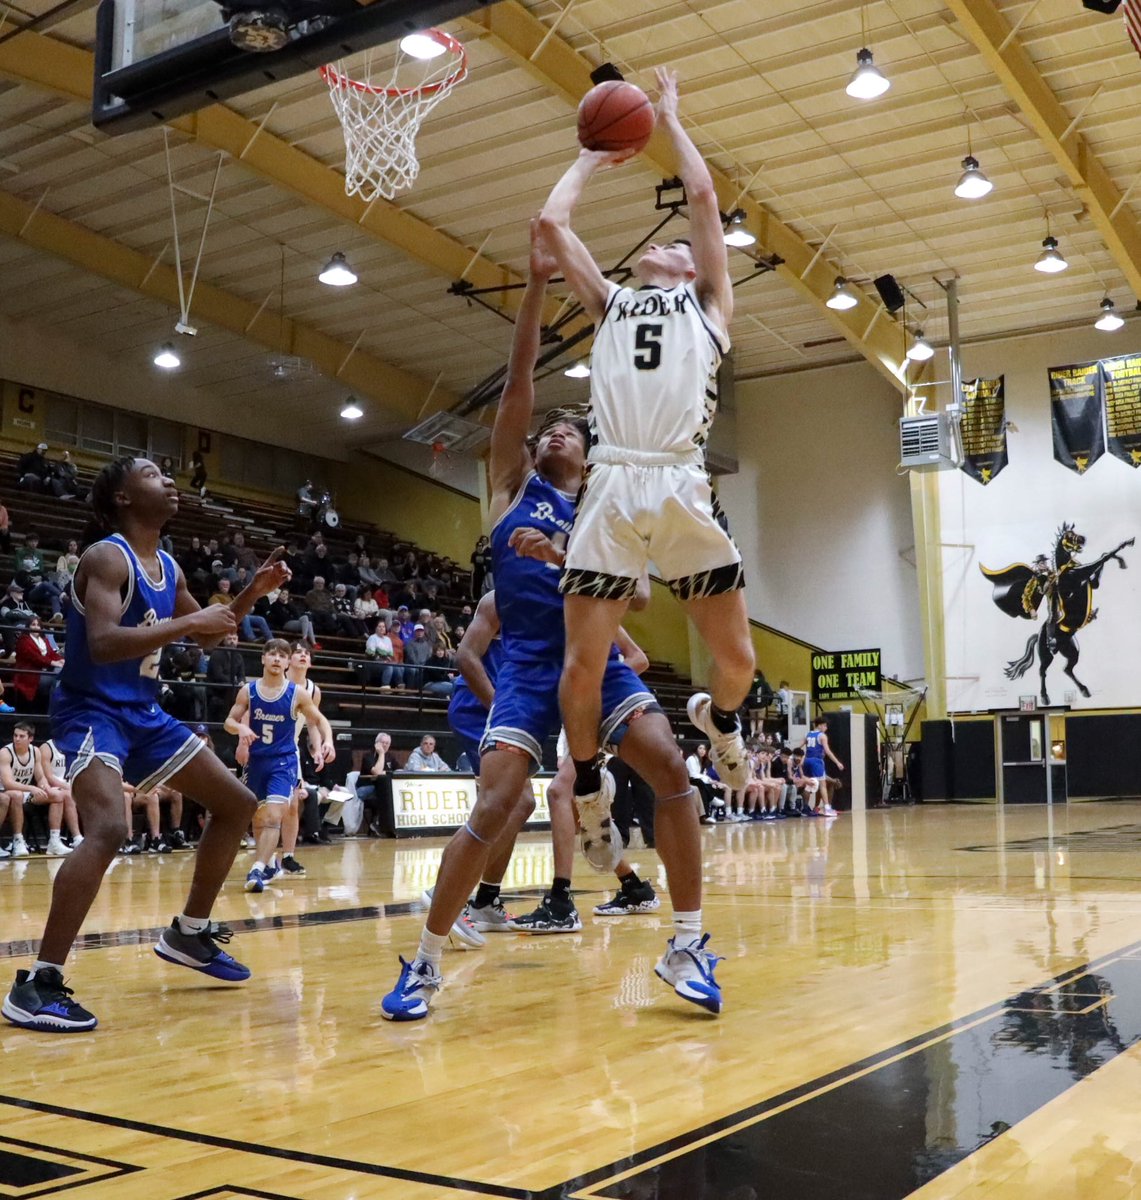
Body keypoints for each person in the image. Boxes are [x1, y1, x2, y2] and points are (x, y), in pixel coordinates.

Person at [382, 222, 717, 1022]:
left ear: (587, 450)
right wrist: (535, 284)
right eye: (546, 430)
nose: (551, 432)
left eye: (567, 430)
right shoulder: (507, 486)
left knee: (671, 769)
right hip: (530, 665)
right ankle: (425, 961)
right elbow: (518, 387)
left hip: (595, 658)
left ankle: (689, 942)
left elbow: (633, 599)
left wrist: (569, 555)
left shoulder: (605, 504)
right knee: (494, 806)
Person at [538, 67, 755, 838]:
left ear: (694, 268)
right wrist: (590, 157)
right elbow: (552, 226)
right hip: (613, 482)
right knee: (582, 668)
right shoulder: (609, 302)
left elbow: (701, 198)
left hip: (680, 482)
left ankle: (718, 720)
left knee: (738, 666)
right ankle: (589, 783)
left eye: (675, 246)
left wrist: (668, 117)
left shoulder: (708, 304)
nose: (661, 244)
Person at [1, 456, 288, 1033]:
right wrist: (188, 624)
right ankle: (38, 982)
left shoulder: (169, 567)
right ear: (123, 498)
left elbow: (219, 626)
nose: (170, 482)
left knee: (235, 804)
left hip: (144, 713)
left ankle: (189, 932)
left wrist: (251, 593)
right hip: (92, 711)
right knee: (109, 826)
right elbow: (105, 642)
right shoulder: (108, 556)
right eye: (154, 474)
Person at [224, 639, 327, 894]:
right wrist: (240, 729)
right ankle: (269, 862)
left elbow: (318, 720)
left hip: (284, 760)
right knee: (258, 816)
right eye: (272, 655)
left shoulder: (299, 692)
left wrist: (329, 743)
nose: (277, 659)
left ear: (287, 661)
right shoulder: (248, 691)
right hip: (257, 760)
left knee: (275, 814)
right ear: (263, 659)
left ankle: (260, 867)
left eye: (282, 655)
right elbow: (229, 721)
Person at [276, 641, 335, 877]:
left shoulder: (313, 690)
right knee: (266, 807)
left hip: (291, 748)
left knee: (292, 805)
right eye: (298, 652)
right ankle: (265, 857)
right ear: (288, 659)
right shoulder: (277, 680)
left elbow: (312, 723)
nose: (302, 655)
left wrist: (319, 748)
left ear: (310, 662)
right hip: (267, 746)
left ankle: (288, 856)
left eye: (306, 653)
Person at [0, 722, 71, 857]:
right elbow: (8, 783)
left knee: (58, 795)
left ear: (30, 739)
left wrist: (46, 788)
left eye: (21, 736)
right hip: (5, 792)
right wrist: (31, 788)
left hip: (24, 792)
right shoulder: (5, 753)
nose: (17, 739)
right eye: (15, 735)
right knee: (16, 794)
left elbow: (40, 777)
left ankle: (54, 842)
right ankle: (18, 840)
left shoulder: (35, 751)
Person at [12, 616, 64, 712]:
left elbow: (51, 654)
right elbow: (35, 657)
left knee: (61, 671)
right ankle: (52, 710)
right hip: (31, 674)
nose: (36, 627)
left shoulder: (44, 640)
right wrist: (53, 662)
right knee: (58, 675)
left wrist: (61, 660)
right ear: (28, 626)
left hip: (44, 672)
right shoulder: (23, 641)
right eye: (33, 625)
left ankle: (55, 708)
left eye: (38, 625)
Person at [356, 731, 398, 837]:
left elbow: (399, 771)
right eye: (382, 742)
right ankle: (378, 824)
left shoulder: (391, 757)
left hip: (382, 789)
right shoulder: (368, 756)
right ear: (376, 743)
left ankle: (380, 824)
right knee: (385, 797)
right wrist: (382, 754)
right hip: (365, 788)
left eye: (387, 743)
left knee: (391, 796)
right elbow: (377, 772)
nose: (385, 745)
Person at [800, 717, 843, 817]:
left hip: (807, 760)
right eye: (825, 725)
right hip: (816, 761)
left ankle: (805, 808)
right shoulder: (822, 736)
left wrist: (794, 755)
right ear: (819, 725)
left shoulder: (807, 734)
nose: (826, 728)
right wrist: (837, 762)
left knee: (809, 784)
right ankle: (827, 808)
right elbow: (827, 751)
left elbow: (799, 746)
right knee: (822, 785)